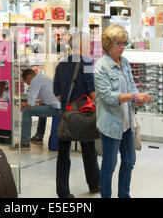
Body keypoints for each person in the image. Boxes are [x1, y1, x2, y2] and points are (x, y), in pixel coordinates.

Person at [94, 24, 153, 198]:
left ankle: (124, 195)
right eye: (118, 43)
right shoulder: (101, 67)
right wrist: (134, 95)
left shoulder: (125, 62)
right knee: (109, 165)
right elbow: (109, 97)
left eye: (124, 43)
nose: (122, 47)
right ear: (107, 44)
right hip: (110, 124)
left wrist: (139, 99)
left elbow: (132, 86)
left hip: (127, 124)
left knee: (129, 162)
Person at [53, 31, 100, 198]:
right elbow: (92, 91)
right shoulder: (87, 62)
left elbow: (57, 92)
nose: (90, 45)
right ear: (81, 44)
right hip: (83, 115)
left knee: (63, 155)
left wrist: (69, 103)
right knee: (89, 150)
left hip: (66, 114)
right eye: (88, 42)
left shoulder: (61, 65)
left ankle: (63, 193)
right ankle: (94, 185)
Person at [11, 69, 61, 150]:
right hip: (59, 106)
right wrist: (37, 102)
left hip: (55, 108)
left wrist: (24, 105)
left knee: (27, 111)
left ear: (29, 77)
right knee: (42, 105)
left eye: (27, 82)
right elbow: (45, 98)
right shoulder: (43, 77)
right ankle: (39, 136)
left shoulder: (34, 81)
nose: (28, 85)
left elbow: (30, 104)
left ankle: (25, 143)